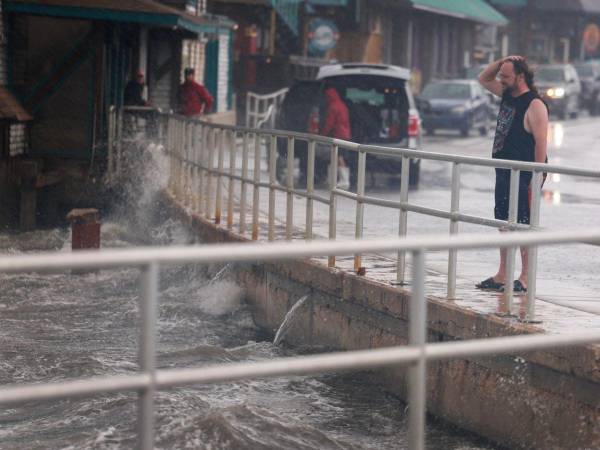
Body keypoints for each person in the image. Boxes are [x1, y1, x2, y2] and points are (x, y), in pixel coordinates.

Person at [477, 56, 549, 293]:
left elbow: (541, 144)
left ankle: (526, 276)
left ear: (520, 76)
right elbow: (483, 78)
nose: (501, 80)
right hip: (504, 168)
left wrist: (536, 177)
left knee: (523, 223)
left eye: (506, 76)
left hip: (526, 172)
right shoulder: (508, 94)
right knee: (503, 222)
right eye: (502, 76)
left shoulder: (534, 104)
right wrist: (501, 62)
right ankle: (502, 274)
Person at [321, 87, 351, 188]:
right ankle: (333, 180)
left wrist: (323, 134)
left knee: (338, 157)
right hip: (345, 134)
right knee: (336, 156)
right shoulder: (342, 105)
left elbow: (330, 122)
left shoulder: (333, 106)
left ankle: (344, 180)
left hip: (338, 135)